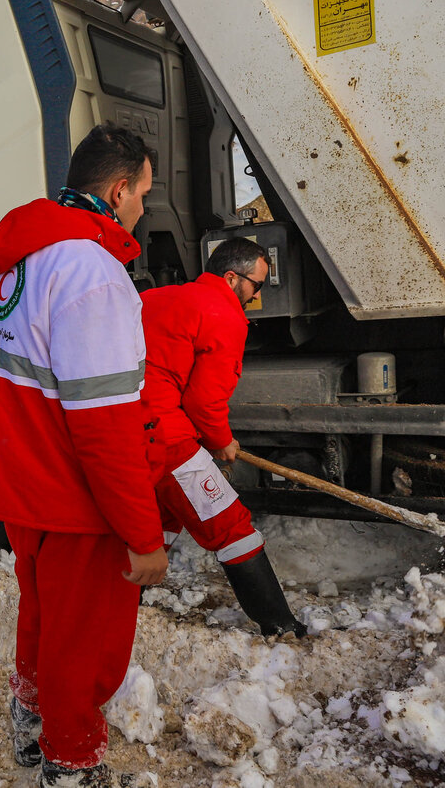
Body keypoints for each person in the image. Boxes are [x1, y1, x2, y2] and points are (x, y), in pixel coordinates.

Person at [0, 124, 168, 787]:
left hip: (22, 485)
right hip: (73, 495)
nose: (144, 205)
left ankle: (29, 721)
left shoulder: (15, 262)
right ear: (118, 190)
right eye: (143, 191)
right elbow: (104, 423)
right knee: (82, 642)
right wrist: (143, 534)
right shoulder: (92, 272)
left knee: (42, 617)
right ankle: (72, 762)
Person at [141, 236, 305, 637]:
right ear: (231, 278)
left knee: (162, 517)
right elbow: (205, 402)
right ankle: (280, 626)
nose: (256, 294)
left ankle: (128, 603)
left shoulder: (159, 297)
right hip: (164, 434)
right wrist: (221, 441)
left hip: (125, 426)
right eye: (256, 285)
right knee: (231, 526)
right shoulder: (224, 314)